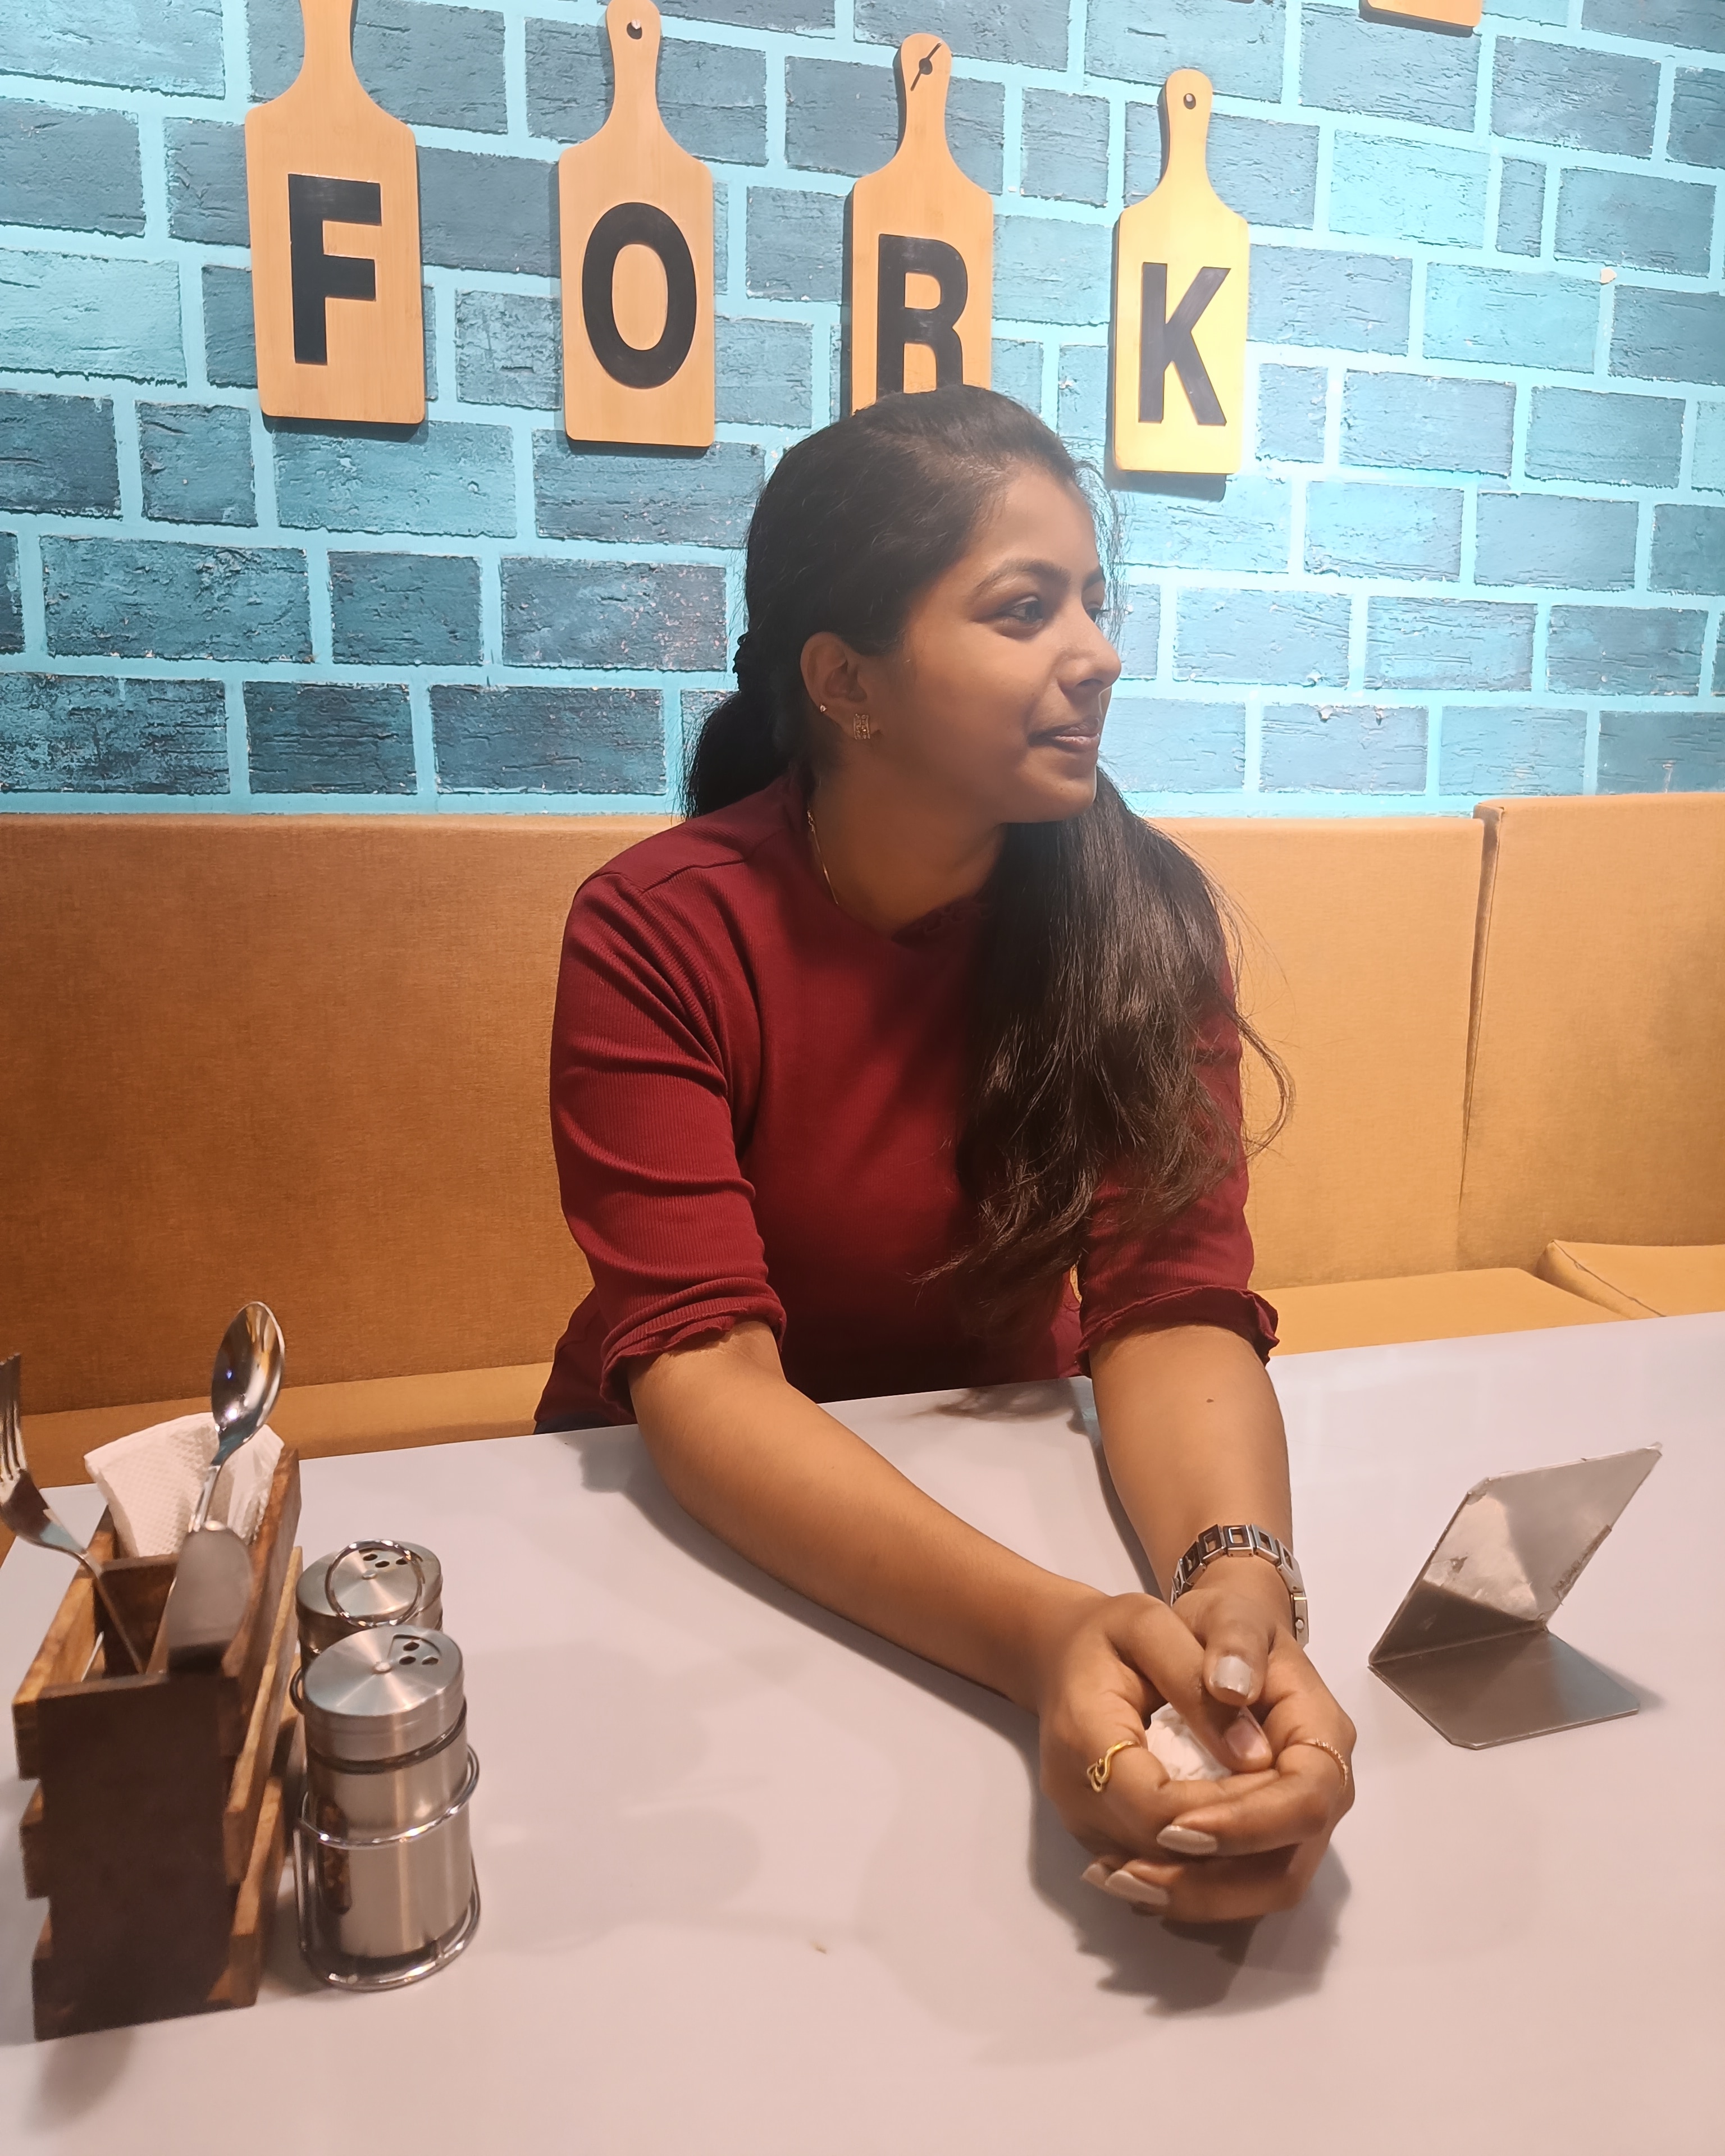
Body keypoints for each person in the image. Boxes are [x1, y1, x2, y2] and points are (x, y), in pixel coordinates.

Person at [538, 386, 1356, 1925]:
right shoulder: (659, 930)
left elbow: (1171, 1304)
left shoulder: (1140, 918)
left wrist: (1238, 1585)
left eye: (1095, 601)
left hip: (1002, 1468)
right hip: (685, 1525)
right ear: (846, 682)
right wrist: (1046, 1638)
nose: (1098, 653)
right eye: (1025, 608)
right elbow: (707, 1374)